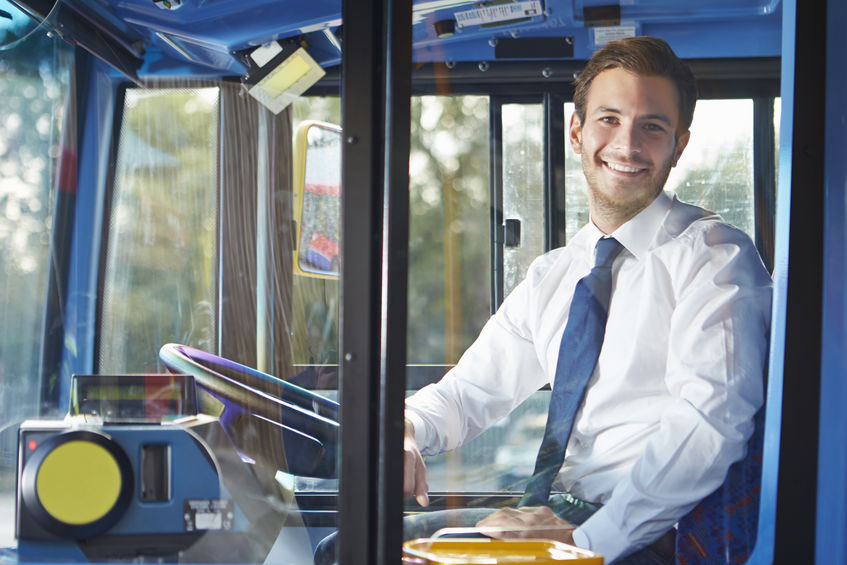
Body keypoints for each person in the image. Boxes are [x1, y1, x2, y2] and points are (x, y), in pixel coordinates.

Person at [402, 36, 772, 564]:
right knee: (349, 545)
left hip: (646, 531)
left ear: (679, 145)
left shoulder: (712, 260)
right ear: (576, 132)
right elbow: (467, 393)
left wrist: (584, 544)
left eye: (652, 126)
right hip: (562, 509)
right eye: (609, 119)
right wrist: (408, 427)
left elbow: (710, 422)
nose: (627, 145)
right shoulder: (554, 274)